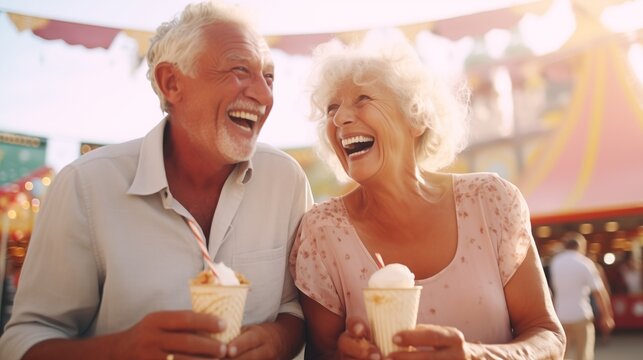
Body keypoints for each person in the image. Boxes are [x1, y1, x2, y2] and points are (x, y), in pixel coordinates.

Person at [0, 1, 313, 359]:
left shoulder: (286, 181)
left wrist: (279, 339)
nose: (264, 94)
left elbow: (296, 308)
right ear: (172, 82)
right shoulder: (84, 186)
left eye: (268, 77)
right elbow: (23, 339)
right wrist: (119, 349)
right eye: (240, 70)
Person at [289, 36, 565, 359]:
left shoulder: (491, 201)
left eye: (362, 99)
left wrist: (476, 356)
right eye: (331, 109)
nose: (338, 119)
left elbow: (548, 335)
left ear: (417, 118)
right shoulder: (321, 233)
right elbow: (321, 354)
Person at [550, 232, 614, 360]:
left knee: (562, 355)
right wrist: (607, 316)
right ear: (581, 246)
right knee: (583, 355)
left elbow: (554, 291)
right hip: (581, 315)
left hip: (561, 316)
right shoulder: (585, 263)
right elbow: (599, 292)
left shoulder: (555, 263)